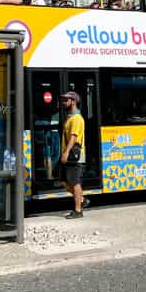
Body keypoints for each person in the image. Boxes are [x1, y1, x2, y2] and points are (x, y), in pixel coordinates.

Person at [60, 90, 87, 219]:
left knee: (75, 182)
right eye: (63, 100)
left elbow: (73, 137)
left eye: (67, 100)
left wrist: (65, 153)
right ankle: (81, 199)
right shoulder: (70, 117)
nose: (64, 102)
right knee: (64, 181)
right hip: (68, 154)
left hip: (73, 155)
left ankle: (78, 211)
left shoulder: (77, 119)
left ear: (74, 101)